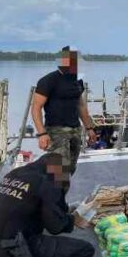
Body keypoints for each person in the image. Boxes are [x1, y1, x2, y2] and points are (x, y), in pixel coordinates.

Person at [31, 46, 96, 176]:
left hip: (75, 130)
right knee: (58, 172)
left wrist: (89, 128)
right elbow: (36, 108)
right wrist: (42, 134)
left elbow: (81, 105)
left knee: (70, 169)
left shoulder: (78, 81)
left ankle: (63, 189)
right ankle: (54, 189)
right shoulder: (48, 80)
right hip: (56, 131)